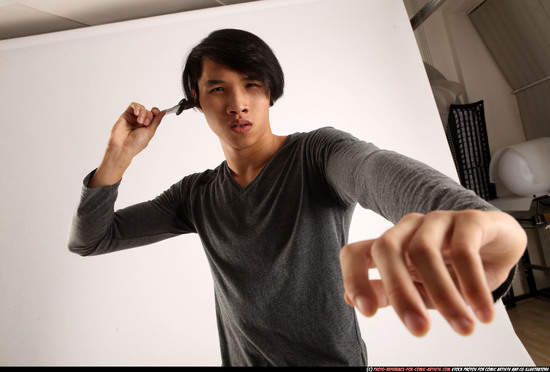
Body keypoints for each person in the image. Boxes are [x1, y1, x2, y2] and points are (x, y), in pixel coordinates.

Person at [68, 29, 527, 366]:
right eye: (217, 88)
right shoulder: (195, 195)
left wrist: (476, 219)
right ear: (196, 99)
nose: (237, 103)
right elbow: (91, 239)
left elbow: (374, 171)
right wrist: (118, 155)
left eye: (252, 84)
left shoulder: (318, 154)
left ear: (270, 91)